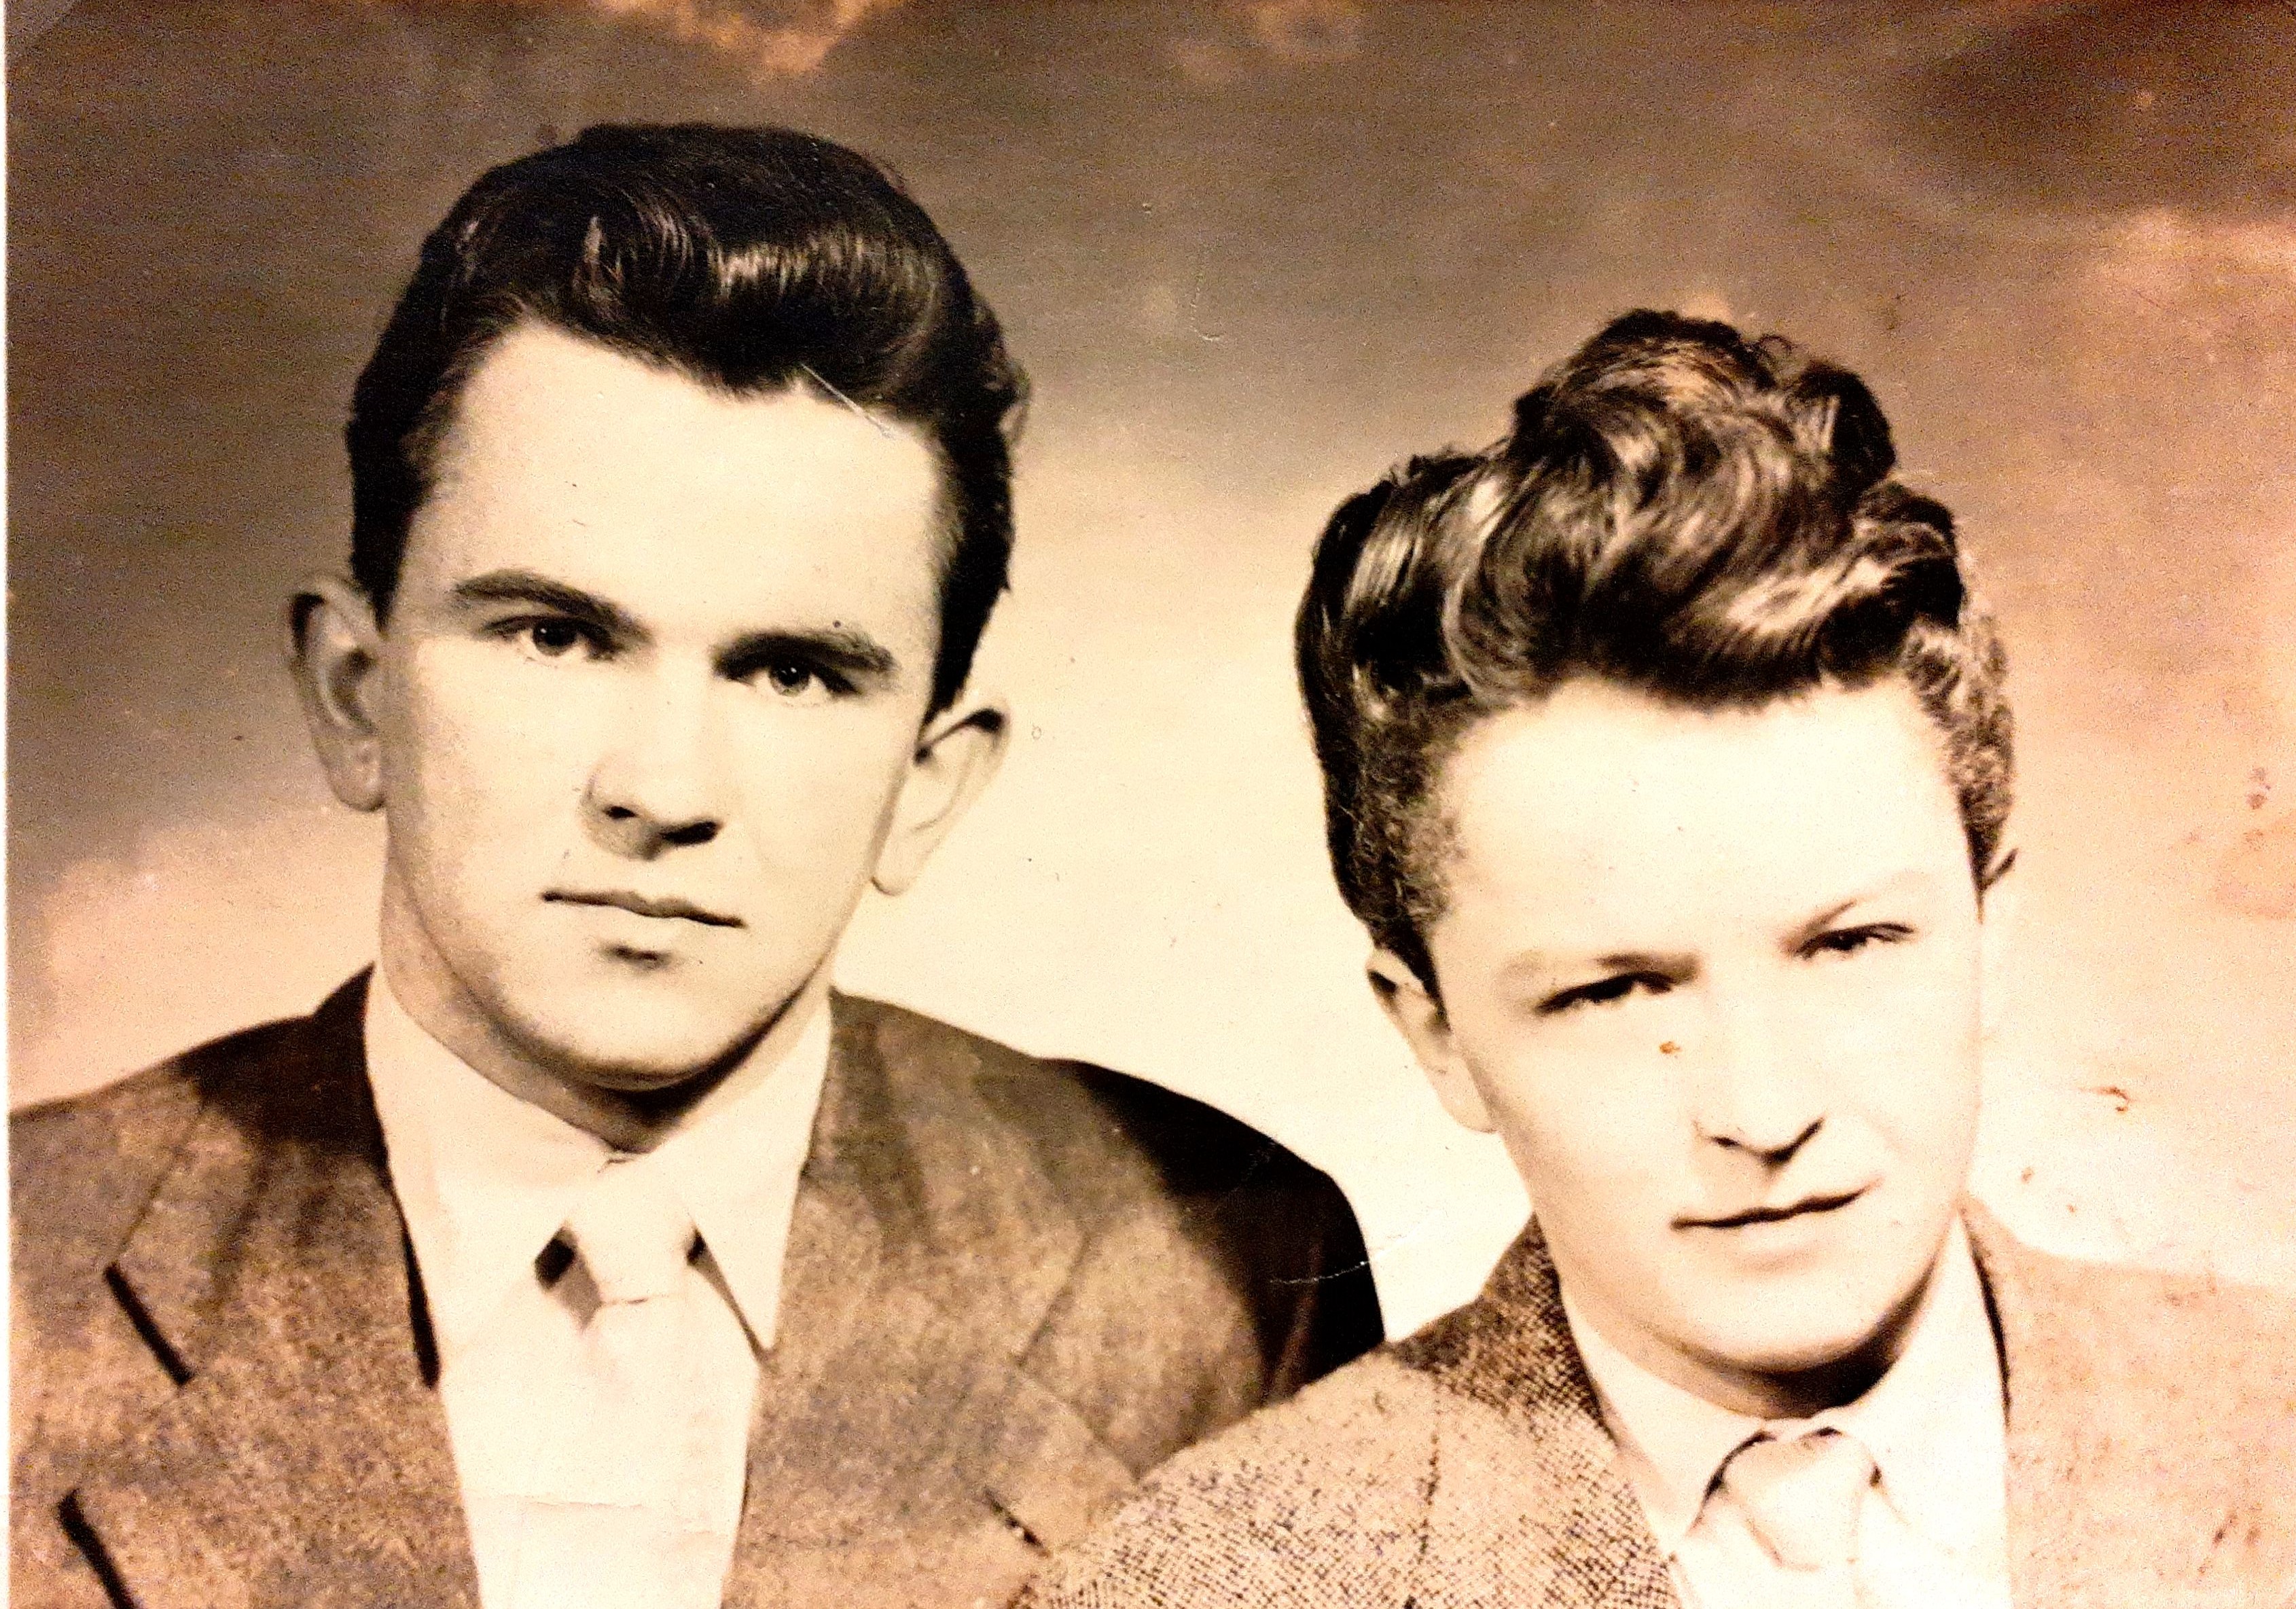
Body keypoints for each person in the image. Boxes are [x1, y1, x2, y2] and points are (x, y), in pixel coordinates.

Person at [10, 124, 1381, 1609]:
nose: (662, 793)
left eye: (793, 673)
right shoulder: (29, 1261)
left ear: (929, 784)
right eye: (554, 635)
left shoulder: (1219, 1272)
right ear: (356, 696)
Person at [1018, 311, 2296, 1609]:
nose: (1764, 1111)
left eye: (1851, 942)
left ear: (1990, 927)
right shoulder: (1198, 1586)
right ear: (1435, 1033)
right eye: (1614, 991)